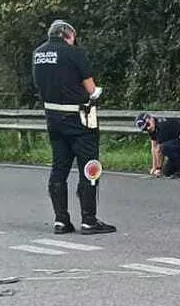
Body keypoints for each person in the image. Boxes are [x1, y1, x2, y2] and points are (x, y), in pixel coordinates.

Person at [30, 19, 116, 235]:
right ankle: (89, 220)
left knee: (59, 168)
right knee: (90, 168)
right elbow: (91, 89)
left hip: (53, 117)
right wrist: (95, 94)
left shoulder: (38, 53)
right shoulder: (73, 53)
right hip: (79, 118)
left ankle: (61, 220)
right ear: (67, 35)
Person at [136, 113, 180, 178]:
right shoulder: (152, 129)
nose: (148, 128)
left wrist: (158, 169)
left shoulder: (161, 127)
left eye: (148, 125)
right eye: (145, 129)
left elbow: (159, 150)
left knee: (164, 147)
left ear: (151, 118)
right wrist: (154, 167)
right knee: (167, 172)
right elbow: (153, 148)